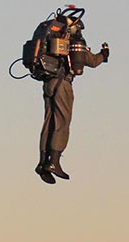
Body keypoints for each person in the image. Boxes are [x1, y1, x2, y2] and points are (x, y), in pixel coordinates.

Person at [35, 14, 109, 184]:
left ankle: (42, 162)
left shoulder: (49, 39)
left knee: (48, 123)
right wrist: (103, 55)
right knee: (62, 122)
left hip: (48, 83)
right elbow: (89, 61)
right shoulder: (74, 41)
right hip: (63, 84)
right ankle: (54, 162)